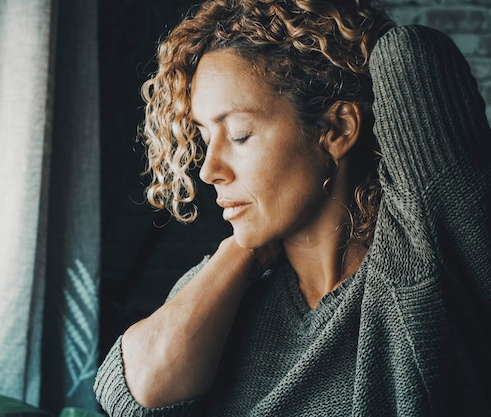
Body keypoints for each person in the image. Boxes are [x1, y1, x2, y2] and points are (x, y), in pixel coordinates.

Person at [94, 0, 491, 415]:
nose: (209, 169)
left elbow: (408, 56)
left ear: (336, 129)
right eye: (205, 135)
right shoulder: (232, 286)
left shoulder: (420, 262)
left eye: (240, 134)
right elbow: (133, 398)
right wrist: (241, 250)